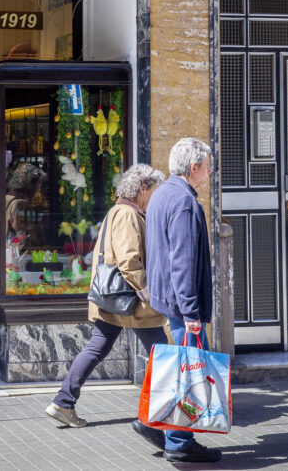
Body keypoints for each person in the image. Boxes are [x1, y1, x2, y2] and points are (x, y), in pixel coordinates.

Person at [45, 164, 169, 439]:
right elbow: (128, 260)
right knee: (163, 355)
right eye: (154, 192)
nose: (155, 199)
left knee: (97, 348)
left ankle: (63, 402)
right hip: (130, 301)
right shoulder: (127, 214)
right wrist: (148, 292)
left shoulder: (119, 210)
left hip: (114, 300)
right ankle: (160, 415)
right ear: (142, 189)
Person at [144, 137, 222, 463]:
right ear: (194, 168)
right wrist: (191, 311)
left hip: (167, 299)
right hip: (181, 304)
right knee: (189, 372)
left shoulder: (163, 193)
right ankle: (178, 442)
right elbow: (182, 262)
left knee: (181, 368)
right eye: (207, 168)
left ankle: (166, 431)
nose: (208, 174)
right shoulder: (185, 203)